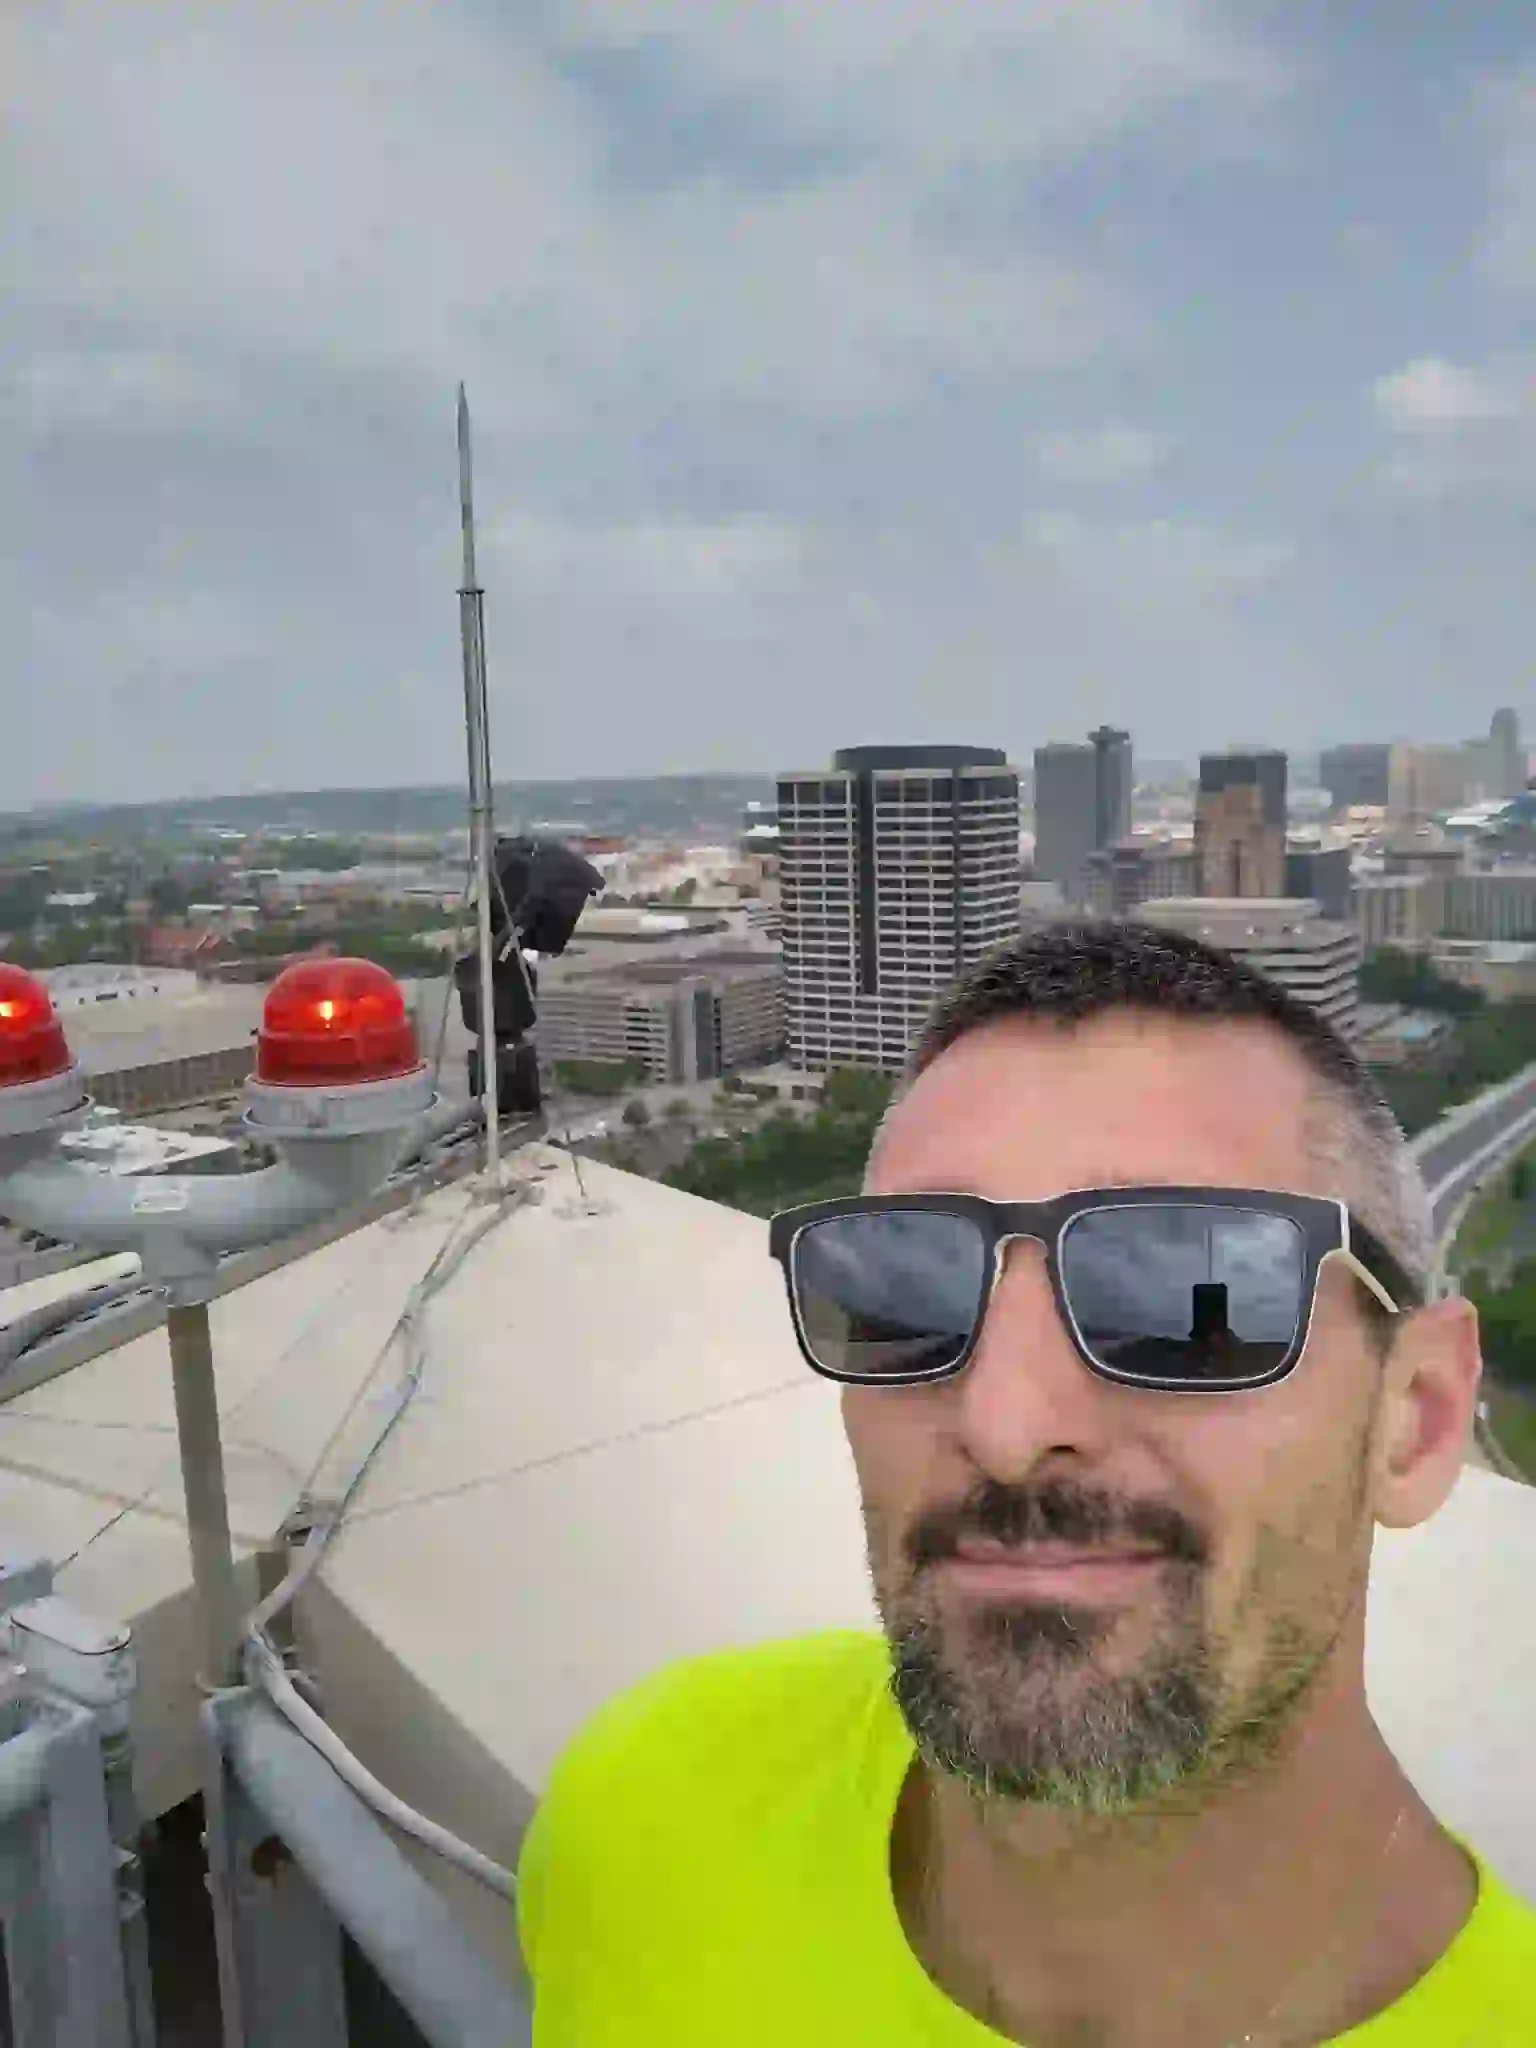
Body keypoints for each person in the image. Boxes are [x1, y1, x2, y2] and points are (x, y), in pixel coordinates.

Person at [517, 922, 1536, 2043]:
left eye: (1185, 1303)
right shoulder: (646, 1815)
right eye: (910, 1295)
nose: (1005, 1426)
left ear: (1418, 1417)